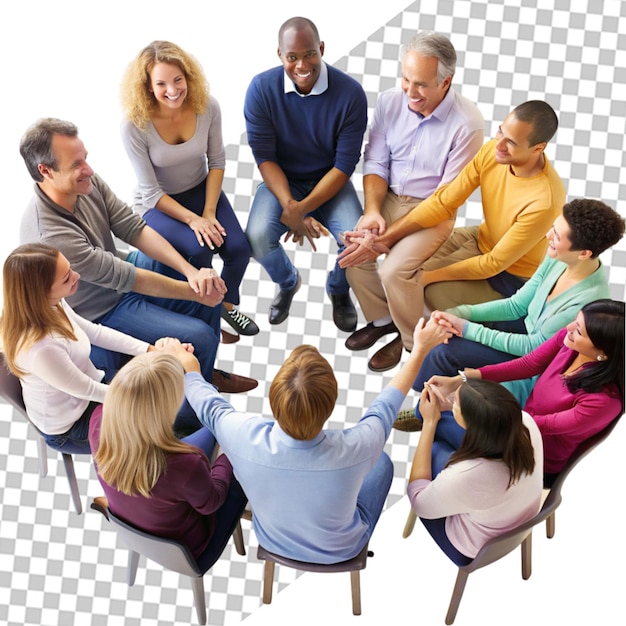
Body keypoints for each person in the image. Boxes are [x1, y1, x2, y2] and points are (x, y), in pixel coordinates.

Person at [161, 317, 455, 564]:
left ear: (273, 401)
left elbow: (206, 402)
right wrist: (419, 350)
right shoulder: (358, 446)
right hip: (344, 549)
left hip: (271, 540)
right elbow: (387, 403)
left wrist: (186, 361)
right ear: (331, 403)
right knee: (383, 463)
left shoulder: (241, 435)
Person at [19, 117, 256, 393]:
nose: (89, 169)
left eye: (85, 158)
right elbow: (125, 278)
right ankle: (191, 412)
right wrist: (194, 292)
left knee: (200, 277)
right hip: (101, 310)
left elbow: (132, 228)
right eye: (76, 165)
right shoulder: (50, 235)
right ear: (46, 171)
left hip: (120, 273)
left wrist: (192, 275)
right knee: (201, 333)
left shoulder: (85, 182)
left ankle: (199, 369)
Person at [340, 100, 566, 371]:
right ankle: (394, 323)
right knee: (403, 264)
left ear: (538, 148)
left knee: (411, 278)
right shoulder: (492, 153)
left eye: (512, 142)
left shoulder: (545, 199)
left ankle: (414, 344)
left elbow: (493, 263)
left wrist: (427, 277)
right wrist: (385, 239)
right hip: (479, 238)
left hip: (510, 276)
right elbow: (445, 201)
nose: (500, 145)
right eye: (500, 132)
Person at [343, 31, 484, 371]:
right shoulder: (391, 101)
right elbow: (375, 161)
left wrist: (386, 240)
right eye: (406, 79)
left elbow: (446, 199)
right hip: (388, 197)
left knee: (394, 271)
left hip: (433, 210)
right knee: (353, 253)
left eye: (421, 84)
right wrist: (372, 212)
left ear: (446, 81)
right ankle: (383, 320)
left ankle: (413, 345)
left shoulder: (468, 124)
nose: (409, 91)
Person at [409, 198, 625, 403]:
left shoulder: (584, 303)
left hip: (537, 360)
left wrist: (466, 328)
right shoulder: (559, 259)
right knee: (451, 328)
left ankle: (421, 406)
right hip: (529, 331)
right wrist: (461, 313)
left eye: (557, 236)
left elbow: (533, 348)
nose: (548, 235)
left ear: (584, 253)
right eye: (553, 227)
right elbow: (517, 305)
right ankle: (434, 391)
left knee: (445, 353)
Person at [120, 40, 258, 341]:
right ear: (147, 86)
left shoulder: (207, 106)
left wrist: (208, 211)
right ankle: (205, 319)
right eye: (161, 84)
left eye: (178, 80)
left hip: (201, 190)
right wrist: (194, 221)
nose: (172, 90)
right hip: (158, 204)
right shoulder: (134, 125)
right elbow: (151, 192)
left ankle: (225, 305)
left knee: (238, 249)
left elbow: (217, 161)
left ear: (188, 77)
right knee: (199, 249)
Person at [403, 299, 624, 479]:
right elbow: (528, 365)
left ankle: (457, 475)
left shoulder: (603, 403)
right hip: (519, 421)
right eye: (575, 322)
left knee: (434, 420)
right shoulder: (569, 341)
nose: (568, 329)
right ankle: (456, 464)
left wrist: (467, 409)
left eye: (579, 331)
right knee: (437, 412)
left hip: (531, 454)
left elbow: (540, 426)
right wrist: (460, 378)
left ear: (603, 353)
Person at [244, 16, 368, 332]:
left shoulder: (351, 94)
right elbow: (265, 157)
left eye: (309, 54)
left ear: (321, 49)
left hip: (330, 182)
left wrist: (302, 208)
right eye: (292, 57)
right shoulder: (261, 89)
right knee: (257, 238)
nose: (302, 64)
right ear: (280, 55)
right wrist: (290, 204)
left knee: (357, 239)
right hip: (282, 181)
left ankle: (339, 289)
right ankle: (288, 282)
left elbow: (344, 166)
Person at [89, 352, 247, 561]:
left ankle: (215, 429)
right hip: (187, 545)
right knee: (238, 467)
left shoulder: (98, 420)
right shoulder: (185, 464)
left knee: (211, 431)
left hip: (132, 521)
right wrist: (228, 453)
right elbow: (212, 502)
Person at [0, 243, 152, 451]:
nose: (77, 276)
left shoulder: (51, 303)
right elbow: (87, 390)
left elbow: (94, 332)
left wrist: (148, 349)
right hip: (72, 424)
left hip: (92, 382)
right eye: (66, 278)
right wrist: (142, 401)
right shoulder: (41, 348)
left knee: (153, 388)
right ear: (40, 293)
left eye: (69, 269)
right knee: (154, 416)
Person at [407, 378, 543, 566]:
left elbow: (420, 503)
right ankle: (423, 417)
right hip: (517, 513)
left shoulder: (469, 475)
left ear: (475, 428)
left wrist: (430, 423)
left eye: (456, 404)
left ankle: (423, 420)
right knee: (439, 428)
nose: (453, 401)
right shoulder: (525, 422)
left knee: (435, 448)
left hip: (473, 546)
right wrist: (452, 405)